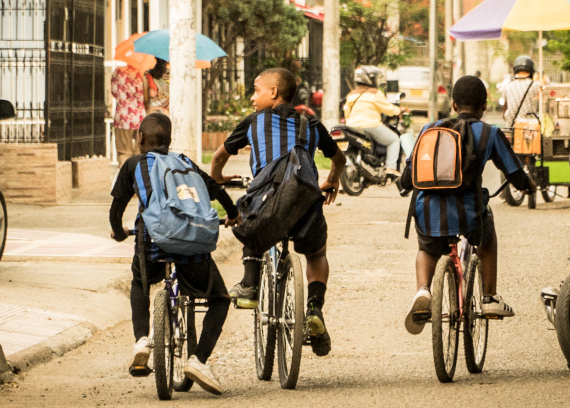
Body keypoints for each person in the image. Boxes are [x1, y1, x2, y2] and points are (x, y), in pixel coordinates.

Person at [210, 68, 346, 357]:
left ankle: (249, 285)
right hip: (305, 203)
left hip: (268, 203)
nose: (252, 97)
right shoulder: (311, 124)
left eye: (256, 90)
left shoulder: (254, 122)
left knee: (248, 216)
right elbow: (339, 158)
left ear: (273, 92)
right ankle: (314, 309)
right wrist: (332, 180)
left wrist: (218, 179)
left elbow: (219, 156)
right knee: (316, 254)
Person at [110, 113, 237, 395]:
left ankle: (142, 340)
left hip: (152, 243)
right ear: (169, 140)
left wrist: (118, 232)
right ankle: (198, 360)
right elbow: (216, 190)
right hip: (191, 243)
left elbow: (116, 210)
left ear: (140, 138)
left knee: (140, 282)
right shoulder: (185, 162)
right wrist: (233, 214)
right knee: (220, 298)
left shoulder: (133, 164)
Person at [398, 76, 535, 335]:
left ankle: (423, 290)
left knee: (427, 248)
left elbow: (407, 177)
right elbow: (515, 172)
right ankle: (490, 297)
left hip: (428, 212)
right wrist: (528, 185)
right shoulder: (490, 133)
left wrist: (403, 184)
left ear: (453, 104)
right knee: (487, 232)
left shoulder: (429, 129)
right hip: (469, 213)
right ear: (484, 106)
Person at [343, 65, 406, 176]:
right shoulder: (375, 93)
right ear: (370, 79)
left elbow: (346, 112)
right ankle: (390, 167)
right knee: (394, 140)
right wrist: (399, 110)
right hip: (371, 125)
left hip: (352, 126)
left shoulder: (351, 94)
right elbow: (388, 109)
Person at [111, 64, 146, 165]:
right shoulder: (142, 73)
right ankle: (138, 172)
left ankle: (125, 172)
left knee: (123, 151)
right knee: (140, 150)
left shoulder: (117, 72)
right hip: (140, 117)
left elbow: (114, 92)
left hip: (122, 118)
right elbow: (146, 94)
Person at [500, 56, 542, 126]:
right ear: (531, 71)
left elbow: (505, 106)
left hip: (512, 124)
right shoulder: (536, 85)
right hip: (530, 125)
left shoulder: (508, 86)